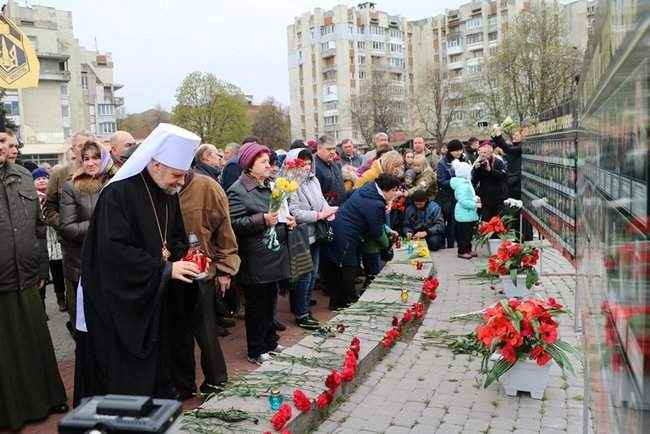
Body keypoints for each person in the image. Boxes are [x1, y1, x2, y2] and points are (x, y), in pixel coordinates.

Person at [77, 123, 202, 400]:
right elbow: (114, 253)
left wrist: (186, 257)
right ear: (156, 165)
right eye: (177, 176)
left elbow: (176, 238)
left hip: (154, 298)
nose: (181, 183)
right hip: (122, 304)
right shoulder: (117, 195)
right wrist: (166, 269)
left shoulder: (167, 193)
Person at [0, 132, 67, 430]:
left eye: (7, 142)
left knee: (35, 343)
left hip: (28, 276)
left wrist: (42, 270)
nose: (5, 148)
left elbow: (39, 228)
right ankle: (11, 413)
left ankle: (46, 400)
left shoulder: (24, 177)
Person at [172, 170, 240, 397]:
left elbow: (224, 231)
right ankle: (183, 386)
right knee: (177, 333)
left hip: (203, 271)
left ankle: (216, 380)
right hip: (170, 272)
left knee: (206, 331)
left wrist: (225, 269)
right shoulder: (160, 186)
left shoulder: (207, 187)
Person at [228, 142, 295, 364]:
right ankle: (256, 349)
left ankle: (270, 342)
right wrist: (262, 220)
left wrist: (288, 221)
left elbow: (279, 211)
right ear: (249, 164)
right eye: (263, 162)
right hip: (255, 258)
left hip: (273, 254)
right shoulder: (238, 190)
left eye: (269, 161)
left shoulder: (269, 184)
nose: (269, 165)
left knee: (270, 302)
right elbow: (235, 223)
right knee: (257, 306)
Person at [322, 173, 401, 310]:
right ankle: (348, 300)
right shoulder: (375, 203)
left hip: (341, 228)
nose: (396, 194)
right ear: (387, 189)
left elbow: (374, 221)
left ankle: (339, 301)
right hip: (346, 234)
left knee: (344, 267)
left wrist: (387, 230)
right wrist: (387, 245)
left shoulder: (368, 189)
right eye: (395, 190)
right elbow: (376, 231)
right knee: (348, 267)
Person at [59, 141, 116, 328]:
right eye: (86, 158)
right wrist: (99, 224)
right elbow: (68, 228)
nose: (90, 163)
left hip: (114, 263)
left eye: (95, 157)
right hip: (83, 264)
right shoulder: (72, 187)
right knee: (89, 324)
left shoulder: (116, 183)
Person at [44, 131, 90, 333]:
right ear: (72, 150)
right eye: (80, 146)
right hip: (73, 252)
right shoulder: (60, 175)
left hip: (99, 249)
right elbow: (48, 209)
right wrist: (65, 226)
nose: (85, 150)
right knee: (77, 306)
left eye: (89, 145)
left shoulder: (104, 173)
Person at [287, 148, 337, 329]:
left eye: (309, 163)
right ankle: (301, 313)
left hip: (316, 232)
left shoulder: (313, 179)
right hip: (301, 235)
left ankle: (305, 307)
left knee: (313, 273)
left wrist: (328, 211)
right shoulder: (290, 183)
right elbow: (294, 211)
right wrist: (318, 215)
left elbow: (321, 200)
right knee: (304, 275)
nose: (307, 167)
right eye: (303, 163)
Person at [33, 167, 66, 312]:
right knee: (42, 273)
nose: (41, 180)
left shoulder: (55, 195)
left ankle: (61, 298)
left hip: (56, 239)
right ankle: (41, 306)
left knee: (58, 270)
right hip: (41, 240)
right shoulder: (32, 197)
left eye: (44, 177)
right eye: (37, 178)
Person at [436, 139, 464, 249]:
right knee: (449, 220)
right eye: (456, 150)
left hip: (459, 195)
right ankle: (447, 244)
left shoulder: (463, 160)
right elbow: (441, 181)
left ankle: (455, 243)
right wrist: (455, 181)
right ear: (450, 151)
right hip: (446, 196)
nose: (458, 153)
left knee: (456, 221)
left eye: (460, 150)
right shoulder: (442, 163)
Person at [450, 161, 480, 259]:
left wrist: (475, 198)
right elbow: (463, 200)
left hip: (468, 214)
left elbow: (469, 195)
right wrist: (474, 204)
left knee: (469, 234)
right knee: (464, 235)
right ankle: (462, 251)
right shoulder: (462, 185)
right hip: (464, 214)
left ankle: (468, 249)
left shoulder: (466, 183)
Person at [472, 143, 508, 221]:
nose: (483, 155)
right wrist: (476, 169)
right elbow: (474, 180)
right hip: (485, 200)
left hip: (498, 199)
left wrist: (490, 170)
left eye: (485, 153)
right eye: (481, 153)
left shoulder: (498, 162)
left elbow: (503, 176)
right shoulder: (479, 163)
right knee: (486, 223)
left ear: (491, 152)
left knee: (501, 223)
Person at [314, 134, 347, 206]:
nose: (333, 152)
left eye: (334, 148)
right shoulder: (315, 168)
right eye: (329, 149)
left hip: (340, 208)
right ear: (319, 148)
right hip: (328, 212)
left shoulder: (333, 163)